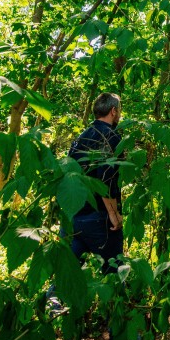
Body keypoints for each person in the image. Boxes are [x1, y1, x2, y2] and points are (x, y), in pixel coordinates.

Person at [65, 92, 125, 272]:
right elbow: (106, 178)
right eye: (119, 110)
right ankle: (114, 300)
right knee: (113, 272)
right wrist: (114, 215)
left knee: (68, 274)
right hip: (99, 218)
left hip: (74, 217)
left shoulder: (81, 137)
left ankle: (53, 299)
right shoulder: (112, 137)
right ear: (113, 111)